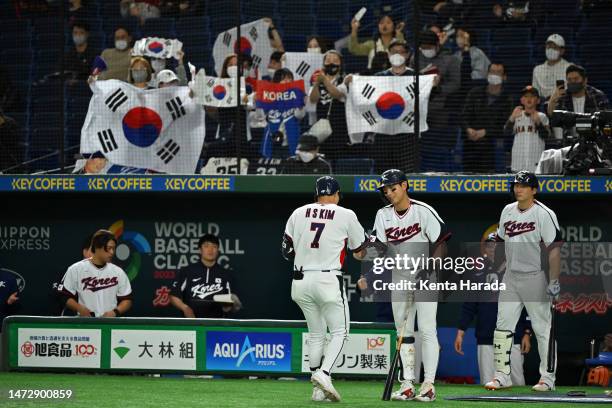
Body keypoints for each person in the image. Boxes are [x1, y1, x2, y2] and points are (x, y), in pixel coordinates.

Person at [359, 169, 451, 402]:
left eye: (393, 188)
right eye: (386, 190)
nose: (389, 193)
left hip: (425, 276)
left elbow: (441, 243)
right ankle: (407, 383)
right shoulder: (383, 215)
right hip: (399, 277)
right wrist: (364, 258)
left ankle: (428, 385)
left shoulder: (423, 211)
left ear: (405, 186)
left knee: (428, 329)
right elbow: (379, 249)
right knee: (403, 331)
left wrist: (430, 268)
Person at [282, 176, 367, 402]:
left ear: (316, 194)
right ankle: (324, 374)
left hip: (300, 281)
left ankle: (317, 390)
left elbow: (286, 252)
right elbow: (360, 252)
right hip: (327, 279)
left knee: (316, 334)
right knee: (340, 332)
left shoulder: (298, 212)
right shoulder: (346, 214)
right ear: (337, 194)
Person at [484, 171, 562, 392]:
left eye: (524, 186)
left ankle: (547, 379)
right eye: (516, 185)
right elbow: (499, 240)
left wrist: (554, 280)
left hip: (534, 277)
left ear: (534, 190)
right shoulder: (507, 211)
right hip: (511, 276)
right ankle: (501, 376)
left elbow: (554, 250)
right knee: (502, 327)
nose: (518, 189)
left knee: (543, 330)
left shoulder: (544, 214)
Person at [454, 233, 532, 386]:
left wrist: (527, 333)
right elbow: (469, 304)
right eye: (489, 245)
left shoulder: (517, 270)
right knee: (488, 384)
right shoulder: (477, 273)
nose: (493, 249)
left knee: (516, 384)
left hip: (513, 336)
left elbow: (528, 304)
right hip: (486, 336)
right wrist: (460, 331)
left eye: (497, 245)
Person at [411, 30, 460, 172]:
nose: (426, 50)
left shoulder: (451, 60)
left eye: (429, 47)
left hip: (441, 109)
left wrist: (439, 87)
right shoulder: (416, 59)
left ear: (437, 45)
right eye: (423, 47)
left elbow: (456, 84)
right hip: (419, 109)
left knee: (437, 146)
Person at [58, 229, 133, 317]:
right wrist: (79, 308)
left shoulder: (118, 272)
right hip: (85, 324)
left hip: (110, 324)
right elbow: (63, 295)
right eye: (109, 248)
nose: (112, 252)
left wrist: (115, 312)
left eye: (113, 248)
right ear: (97, 247)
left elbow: (127, 299)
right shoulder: (76, 269)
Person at [372, 39, 419, 173]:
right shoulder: (378, 77)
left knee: (406, 173)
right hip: (383, 133)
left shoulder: (416, 77)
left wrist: (433, 85)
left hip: (407, 134)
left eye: (401, 52)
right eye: (394, 52)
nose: (397, 55)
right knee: (382, 173)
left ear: (407, 55)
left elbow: (426, 99)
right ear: (388, 55)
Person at [169, 234, 242, 318]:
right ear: (200, 250)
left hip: (216, 324)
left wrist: (229, 306)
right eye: (206, 246)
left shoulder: (226, 274)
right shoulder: (187, 271)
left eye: (214, 246)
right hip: (191, 324)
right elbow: (173, 296)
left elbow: (232, 304)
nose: (210, 250)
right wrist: (185, 308)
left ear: (218, 250)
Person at [461, 62, 514, 173]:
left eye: (498, 73)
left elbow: (505, 126)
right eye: (492, 72)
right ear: (487, 74)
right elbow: (464, 117)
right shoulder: (474, 93)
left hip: (491, 145)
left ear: (504, 77)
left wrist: (485, 132)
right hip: (471, 142)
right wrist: (468, 129)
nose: (494, 75)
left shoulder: (507, 100)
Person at [308, 50, 349, 161]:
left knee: (337, 158)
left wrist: (324, 80)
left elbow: (337, 94)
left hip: (339, 127)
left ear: (340, 65)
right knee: (321, 158)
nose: (331, 63)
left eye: (335, 60)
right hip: (321, 127)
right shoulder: (318, 79)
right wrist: (317, 83)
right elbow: (313, 99)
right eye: (328, 60)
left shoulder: (344, 80)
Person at [261, 68, 305, 158]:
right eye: (284, 79)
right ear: (277, 82)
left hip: (290, 144)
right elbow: (261, 116)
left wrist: (300, 105)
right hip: (272, 143)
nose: (288, 81)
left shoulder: (296, 97)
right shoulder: (269, 97)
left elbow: (300, 115)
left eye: (290, 79)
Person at [505, 86, 550, 172]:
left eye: (532, 96)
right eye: (526, 96)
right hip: (518, 162)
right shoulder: (517, 115)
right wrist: (511, 118)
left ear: (538, 100)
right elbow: (506, 133)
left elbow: (547, 136)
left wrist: (538, 123)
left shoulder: (542, 116)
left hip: (536, 162)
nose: (529, 99)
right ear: (521, 100)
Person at [532, 34, 572, 100]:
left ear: (562, 51)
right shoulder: (537, 70)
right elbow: (535, 94)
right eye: (549, 47)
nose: (550, 50)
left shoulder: (570, 67)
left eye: (554, 47)